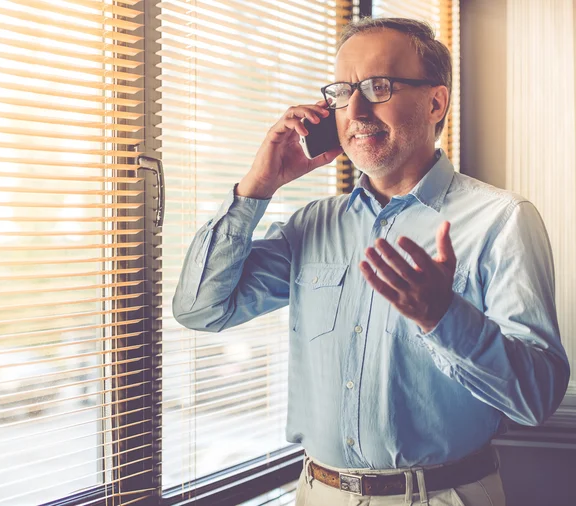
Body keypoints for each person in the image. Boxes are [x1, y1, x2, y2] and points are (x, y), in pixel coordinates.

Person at [174, 17, 570, 506]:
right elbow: (200, 308)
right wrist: (257, 187)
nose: (355, 110)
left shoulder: (502, 220)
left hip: (445, 496)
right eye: (342, 92)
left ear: (436, 102)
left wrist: (444, 318)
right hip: (318, 493)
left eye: (378, 87)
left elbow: (535, 399)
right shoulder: (311, 225)